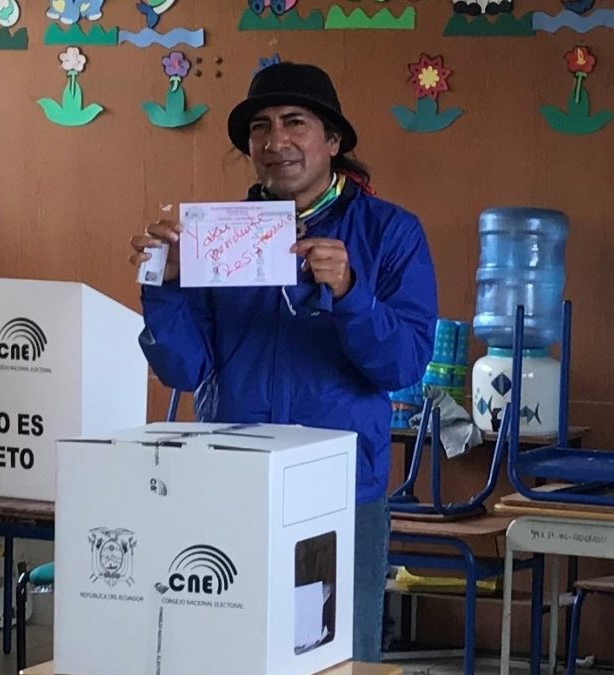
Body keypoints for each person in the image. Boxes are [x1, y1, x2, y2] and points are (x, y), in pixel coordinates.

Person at [128, 61, 438, 661]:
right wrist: (164, 286)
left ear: (333, 141)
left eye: (295, 123)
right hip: (230, 480)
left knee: (336, 654)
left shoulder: (390, 232)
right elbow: (183, 371)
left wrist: (350, 294)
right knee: (226, 656)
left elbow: (403, 366)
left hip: (341, 488)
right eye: (260, 129)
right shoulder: (216, 239)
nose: (275, 142)